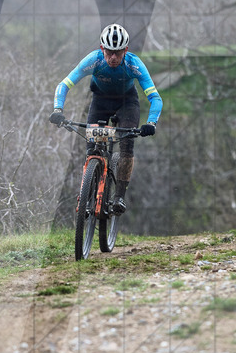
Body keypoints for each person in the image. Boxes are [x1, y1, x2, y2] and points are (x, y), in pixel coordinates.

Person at [49, 23, 162, 214]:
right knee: (92, 147)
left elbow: (155, 98)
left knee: (127, 145)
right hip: (100, 102)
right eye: (109, 52)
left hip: (127, 104)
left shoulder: (134, 64)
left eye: (118, 52)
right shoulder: (94, 60)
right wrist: (58, 109)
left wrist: (151, 123)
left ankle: (118, 197)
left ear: (125, 50)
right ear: (102, 49)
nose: (113, 57)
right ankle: (88, 193)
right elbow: (64, 84)